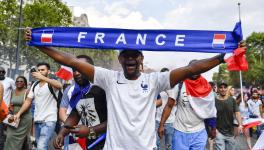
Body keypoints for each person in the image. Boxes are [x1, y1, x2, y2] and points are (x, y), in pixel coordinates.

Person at [24, 28, 246, 149]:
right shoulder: (109, 78)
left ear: (141, 58)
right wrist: (38, 43)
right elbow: (71, 60)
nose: (130, 59)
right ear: (120, 59)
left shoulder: (154, 81)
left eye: (134, 56)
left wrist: (223, 56)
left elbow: (192, 69)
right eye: (126, 56)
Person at [158, 61, 217, 150]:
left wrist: (213, 127)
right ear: (188, 69)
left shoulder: (206, 87)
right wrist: (161, 125)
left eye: (197, 68)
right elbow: (169, 106)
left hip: (199, 133)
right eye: (192, 68)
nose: (195, 71)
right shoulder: (179, 85)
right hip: (180, 132)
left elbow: (210, 109)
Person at [56, 55, 107, 150]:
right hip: (91, 145)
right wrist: (62, 133)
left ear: (91, 69)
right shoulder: (80, 92)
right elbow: (74, 114)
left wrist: (90, 131)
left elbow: (116, 120)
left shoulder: (103, 90)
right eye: (74, 70)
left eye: (80, 69)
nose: (76, 73)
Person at [14, 63, 63, 150]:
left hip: (49, 120)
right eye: (39, 70)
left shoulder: (50, 83)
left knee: (41, 146)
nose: (40, 72)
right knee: (39, 145)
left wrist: (43, 78)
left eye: (42, 70)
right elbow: (28, 101)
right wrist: (19, 114)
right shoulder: (35, 85)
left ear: (48, 71)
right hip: (37, 121)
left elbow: (59, 85)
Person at [4, 76, 32, 150]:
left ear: (24, 83)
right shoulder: (12, 91)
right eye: (17, 81)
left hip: (24, 119)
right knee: (9, 137)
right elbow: (11, 103)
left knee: (19, 140)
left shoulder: (27, 92)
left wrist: (19, 113)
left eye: (21, 81)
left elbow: (28, 105)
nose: (19, 82)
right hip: (14, 118)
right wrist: (11, 109)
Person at [215, 82, 243, 150]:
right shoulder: (214, 100)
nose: (223, 89)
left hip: (230, 132)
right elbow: (211, 115)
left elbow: (237, 113)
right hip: (219, 132)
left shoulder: (232, 100)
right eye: (221, 87)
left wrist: (240, 124)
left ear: (227, 89)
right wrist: (214, 128)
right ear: (218, 89)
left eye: (225, 87)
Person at [155, 68, 176, 150]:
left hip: (170, 122)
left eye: (166, 75)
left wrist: (168, 90)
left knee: (169, 145)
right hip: (157, 120)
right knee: (156, 144)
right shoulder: (157, 87)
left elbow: (175, 103)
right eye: (163, 75)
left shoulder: (174, 88)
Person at [0, 67, 16, 150]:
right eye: (0, 72)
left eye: (3, 72)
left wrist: (11, 104)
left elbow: (15, 91)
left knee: (7, 130)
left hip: (6, 110)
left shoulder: (10, 81)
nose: (1, 73)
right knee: (1, 131)